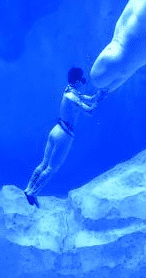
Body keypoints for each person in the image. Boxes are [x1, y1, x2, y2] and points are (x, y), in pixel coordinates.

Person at [23, 67, 106, 207]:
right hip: (65, 135)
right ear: (78, 80)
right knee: (52, 168)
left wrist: (99, 95)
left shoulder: (69, 91)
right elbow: (90, 111)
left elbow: (89, 98)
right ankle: (33, 193)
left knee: (43, 163)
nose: (83, 82)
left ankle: (28, 188)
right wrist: (97, 102)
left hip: (56, 129)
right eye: (82, 80)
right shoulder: (73, 96)